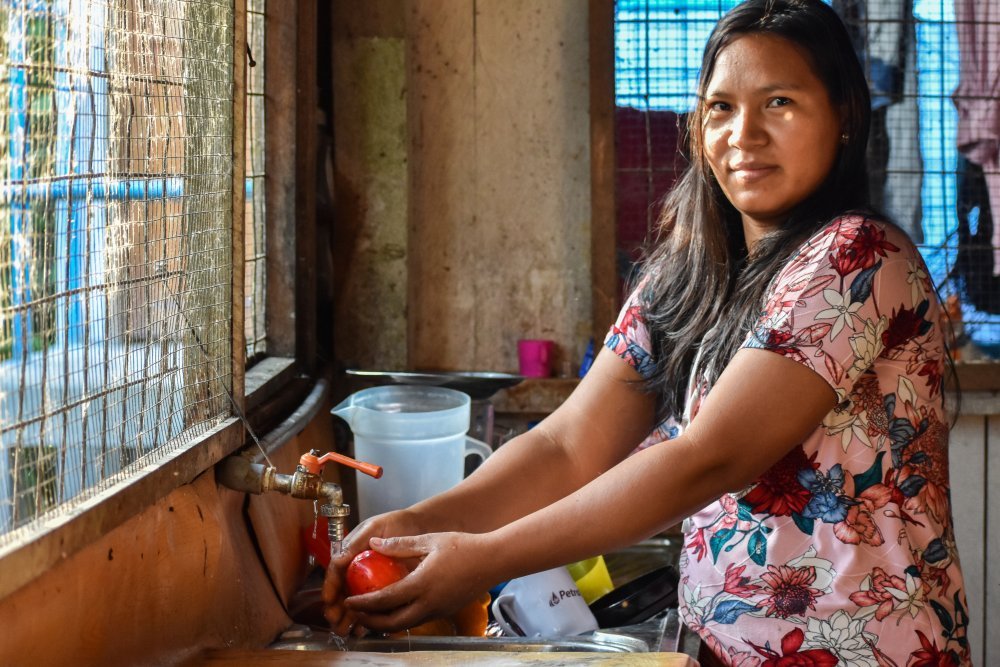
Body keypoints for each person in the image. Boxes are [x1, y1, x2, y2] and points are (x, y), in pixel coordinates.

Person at [323, 0, 971, 664]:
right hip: (718, 650)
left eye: (778, 102)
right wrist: (417, 525)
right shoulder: (687, 277)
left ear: (843, 119)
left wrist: (482, 556)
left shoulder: (855, 256)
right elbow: (568, 444)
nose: (743, 134)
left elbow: (707, 459)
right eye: (720, 107)